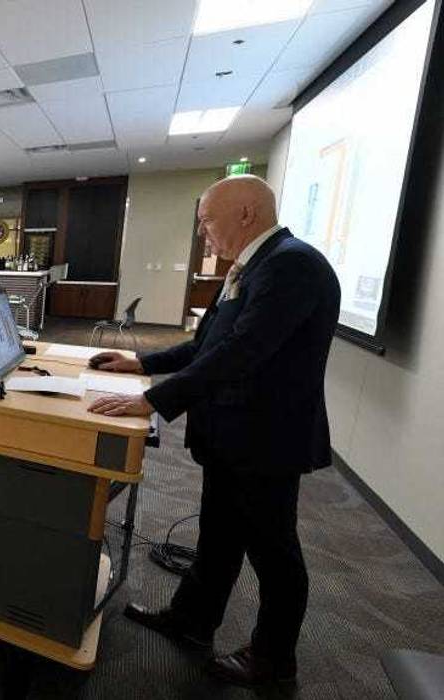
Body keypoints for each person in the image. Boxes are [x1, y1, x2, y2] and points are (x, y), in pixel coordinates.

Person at [85, 175, 340, 686]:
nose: (204, 234)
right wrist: (141, 362)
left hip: (265, 441)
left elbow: (240, 353)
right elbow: (207, 346)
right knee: (219, 536)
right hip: (231, 436)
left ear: (246, 213)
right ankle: (193, 619)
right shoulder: (252, 266)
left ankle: (273, 660)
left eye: (207, 221)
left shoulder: (291, 265)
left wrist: (151, 400)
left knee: (274, 553)